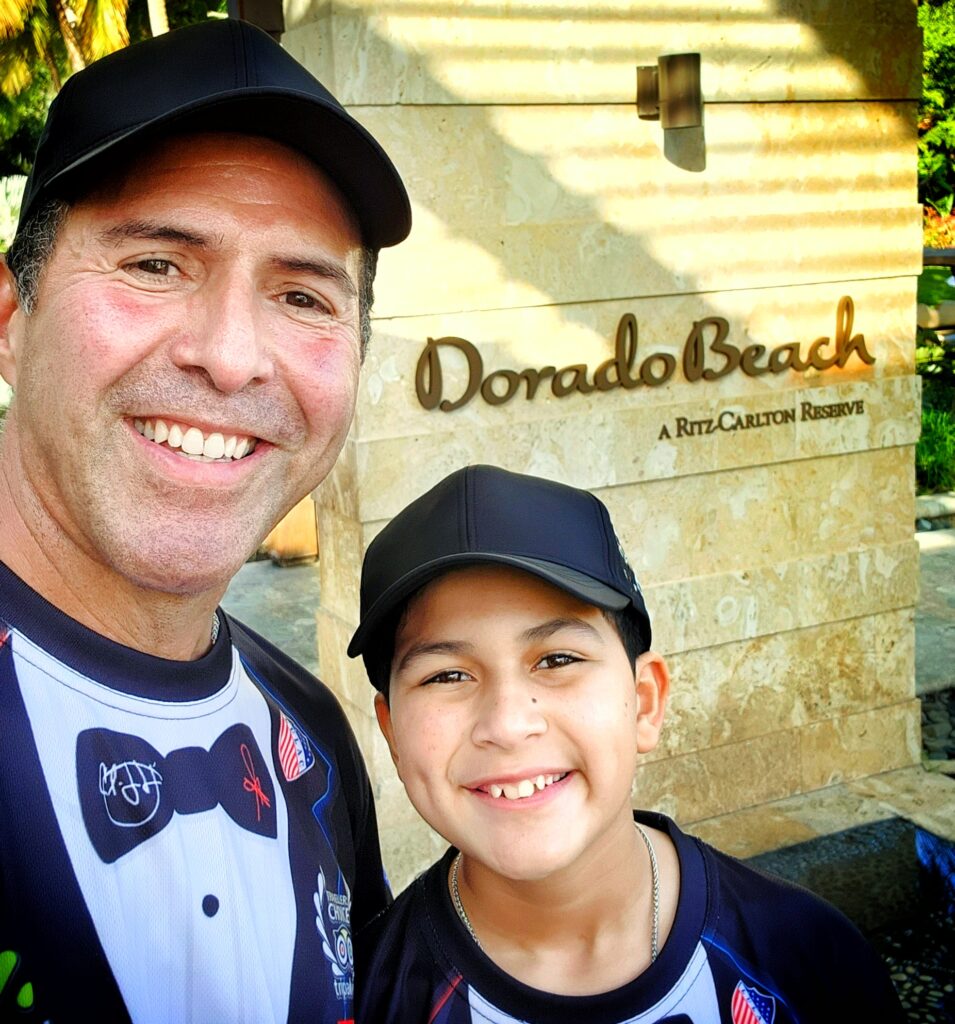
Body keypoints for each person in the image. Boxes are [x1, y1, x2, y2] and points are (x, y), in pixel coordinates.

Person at [0, 17, 411, 1024]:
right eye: (155, 264)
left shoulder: (309, 736)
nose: (232, 358)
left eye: (304, 295)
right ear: (10, 321)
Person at [348, 464, 905, 1023]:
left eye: (557, 660)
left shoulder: (807, 959)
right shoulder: (359, 997)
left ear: (644, 701)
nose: (509, 724)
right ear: (393, 731)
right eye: (447, 675)